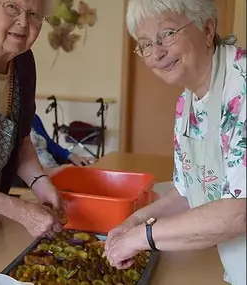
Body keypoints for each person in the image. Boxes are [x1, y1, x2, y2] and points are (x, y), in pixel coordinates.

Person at [105, 1, 246, 284]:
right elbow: (187, 193)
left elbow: (239, 211)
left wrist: (143, 237)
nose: (156, 53)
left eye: (167, 34)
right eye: (144, 44)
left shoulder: (241, 86)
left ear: (207, 30)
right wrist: (134, 221)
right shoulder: (187, 102)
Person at [0, 0, 67, 239]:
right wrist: (19, 211)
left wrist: (40, 182)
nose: (22, 22)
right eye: (11, 7)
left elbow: (20, 139)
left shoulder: (24, 62)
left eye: (33, 14)